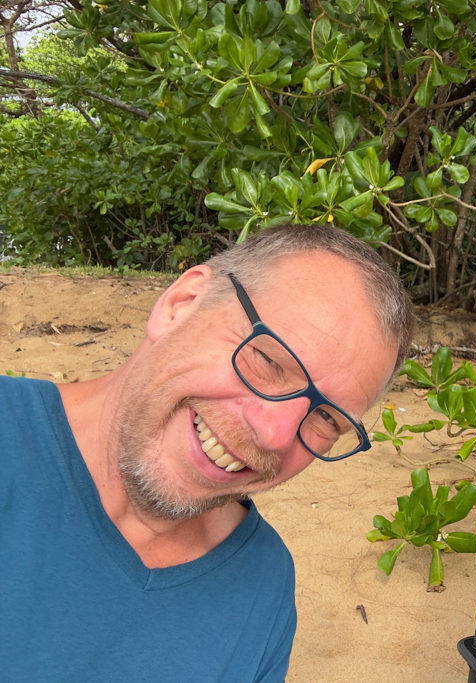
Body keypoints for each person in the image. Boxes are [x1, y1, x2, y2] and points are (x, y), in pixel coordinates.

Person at [0, 224, 414, 681]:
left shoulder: (262, 583)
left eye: (327, 419)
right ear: (180, 305)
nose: (275, 434)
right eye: (269, 360)